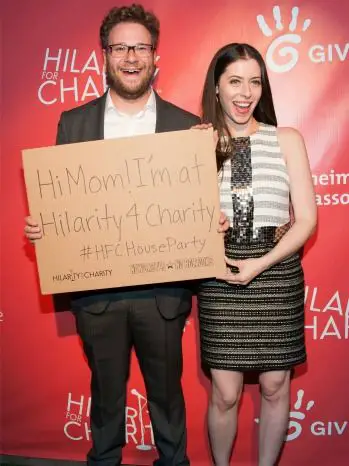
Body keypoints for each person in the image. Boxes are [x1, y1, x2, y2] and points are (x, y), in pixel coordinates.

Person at [24, 5, 229, 466]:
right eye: (121, 47)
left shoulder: (186, 127)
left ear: (156, 57)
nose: (131, 56)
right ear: (105, 55)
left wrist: (207, 222)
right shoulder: (72, 123)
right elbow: (63, 206)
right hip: (97, 294)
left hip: (163, 295)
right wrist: (45, 227)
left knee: (168, 401)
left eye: (141, 47)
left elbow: (200, 206)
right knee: (106, 401)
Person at [197, 43, 317, 466]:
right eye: (234, 81)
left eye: (254, 81)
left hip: (276, 269)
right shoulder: (197, 144)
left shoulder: (286, 138)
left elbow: (305, 220)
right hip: (221, 272)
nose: (245, 92)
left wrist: (261, 264)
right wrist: (207, 222)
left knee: (275, 386)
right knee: (226, 394)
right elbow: (178, 219)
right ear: (217, 88)